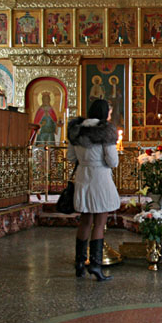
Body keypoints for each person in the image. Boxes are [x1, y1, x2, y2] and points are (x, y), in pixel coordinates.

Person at [66, 99, 120, 281]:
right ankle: (96, 265)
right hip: (100, 179)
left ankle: (80, 263)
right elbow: (113, 161)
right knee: (99, 222)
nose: (110, 116)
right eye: (109, 113)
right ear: (104, 113)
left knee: (85, 221)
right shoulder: (105, 132)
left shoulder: (77, 130)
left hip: (83, 177)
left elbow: (70, 157)